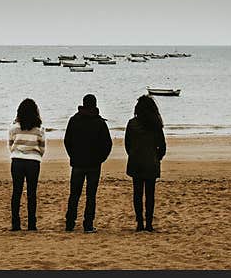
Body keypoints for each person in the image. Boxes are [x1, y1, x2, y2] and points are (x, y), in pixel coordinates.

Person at [63, 93, 112, 233]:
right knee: (91, 195)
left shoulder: (74, 120)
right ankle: (88, 224)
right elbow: (107, 144)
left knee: (74, 194)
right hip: (93, 165)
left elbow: (67, 141)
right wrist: (100, 159)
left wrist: (73, 155)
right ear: (95, 105)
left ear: (83, 104)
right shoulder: (99, 122)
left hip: (78, 163)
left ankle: (70, 223)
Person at [124, 95, 167, 232]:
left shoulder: (132, 124)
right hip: (151, 163)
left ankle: (139, 223)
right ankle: (149, 223)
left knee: (137, 194)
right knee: (150, 194)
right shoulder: (156, 125)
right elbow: (162, 146)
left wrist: (133, 154)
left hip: (136, 162)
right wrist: (157, 157)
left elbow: (127, 144)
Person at [8, 98, 46, 231]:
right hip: (33, 162)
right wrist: (37, 156)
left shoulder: (14, 127)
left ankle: (15, 223)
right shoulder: (39, 129)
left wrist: (16, 152)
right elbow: (42, 147)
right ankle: (32, 224)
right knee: (31, 193)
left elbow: (10, 144)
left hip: (17, 160)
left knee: (16, 192)